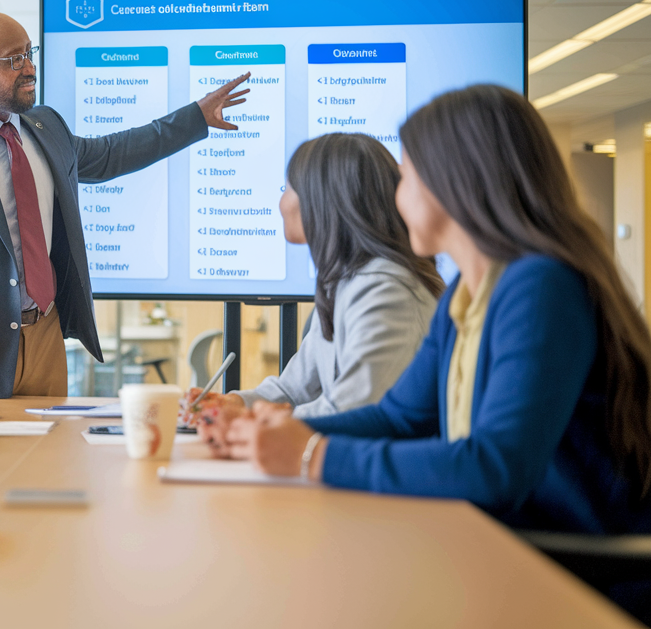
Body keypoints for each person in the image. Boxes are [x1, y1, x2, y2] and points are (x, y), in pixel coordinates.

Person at [204, 85, 651, 541]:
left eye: (407, 176)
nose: (395, 197)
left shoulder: (541, 287)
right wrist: (266, 431)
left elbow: (495, 467)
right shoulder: (467, 293)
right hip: (499, 539)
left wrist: (313, 455)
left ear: (455, 182)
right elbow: (397, 418)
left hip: (571, 566)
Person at [0, 11, 250, 398]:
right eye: (13, 60)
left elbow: (110, 154)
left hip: (46, 339)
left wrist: (194, 118)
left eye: (29, 53)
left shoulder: (45, 125)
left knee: (51, 453)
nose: (30, 68)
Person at [183, 133, 443, 424]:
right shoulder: (345, 281)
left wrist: (252, 420)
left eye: (288, 187)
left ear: (322, 199)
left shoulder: (385, 291)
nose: (281, 201)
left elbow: (350, 411)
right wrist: (235, 402)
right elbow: (293, 390)